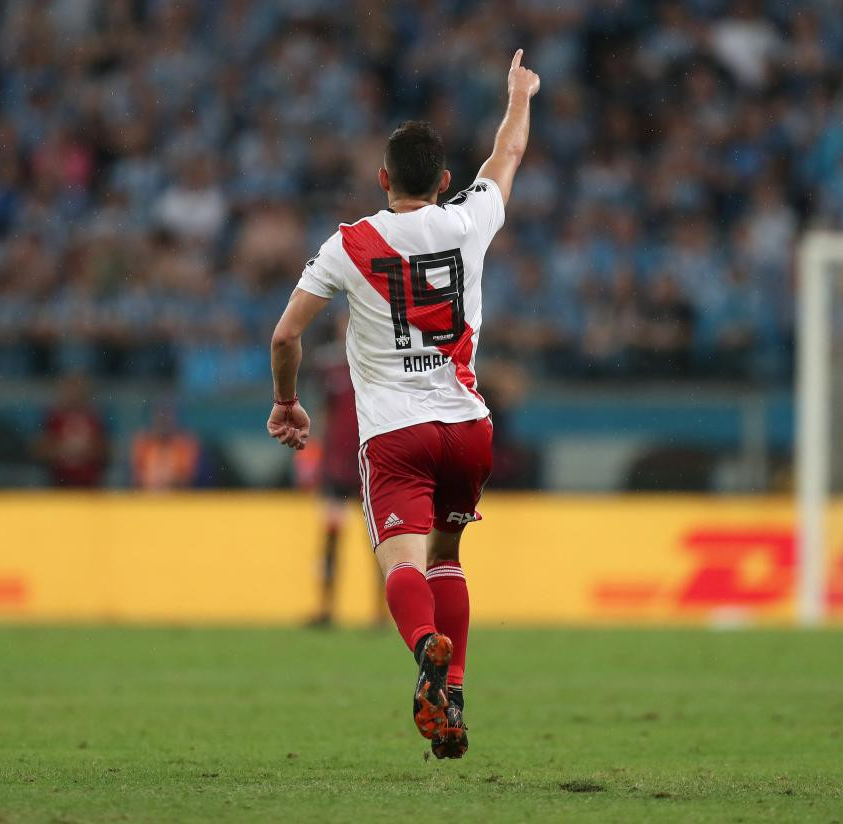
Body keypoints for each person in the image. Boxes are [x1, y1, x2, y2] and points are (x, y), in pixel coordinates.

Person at [266, 50, 540, 760]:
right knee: (448, 556)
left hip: (394, 433)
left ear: (383, 179)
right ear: (446, 181)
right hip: (468, 427)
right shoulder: (470, 219)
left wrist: (287, 401)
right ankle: (454, 696)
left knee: (403, 567)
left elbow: (286, 333)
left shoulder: (351, 242)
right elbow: (508, 152)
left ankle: (425, 648)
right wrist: (520, 94)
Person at [298, 312, 385, 628]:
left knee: (378, 541)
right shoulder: (329, 366)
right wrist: (313, 459)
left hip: (369, 464)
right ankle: (325, 607)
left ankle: (381, 611)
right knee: (332, 537)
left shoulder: (378, 361)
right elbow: (321, 414)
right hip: (336, 466)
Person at [36, 374, 109, 488]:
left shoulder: (95, 418)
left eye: (79, 389)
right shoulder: (54, 418)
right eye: (71, 389)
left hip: (90, 488)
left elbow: (106, 450)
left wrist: (86, 451)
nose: (75, 394)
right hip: (59, 486)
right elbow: (39, 449)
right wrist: (63, 451)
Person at [131, 403, 200, 490]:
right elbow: (136, 476)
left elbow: (187, 477)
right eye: (159, 416)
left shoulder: (185, 444)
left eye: (167, 415)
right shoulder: (143, 443)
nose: (163, 420)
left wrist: (168, 482)